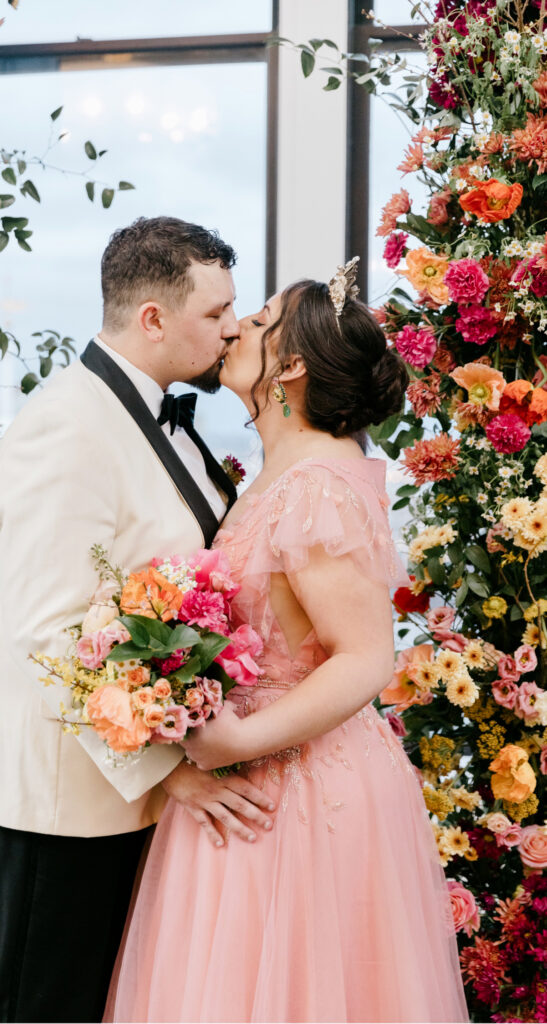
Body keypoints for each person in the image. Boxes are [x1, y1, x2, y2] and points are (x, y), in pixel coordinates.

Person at [105, 262, 469, 1023]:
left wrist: (233, 739)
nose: (234, 328)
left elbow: (365, 657)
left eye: (258, 319)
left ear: (293, 365)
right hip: (244, 775)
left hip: (298, 790)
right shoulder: (282, 475)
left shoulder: (319, 489)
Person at [0, 216, 277, 1024]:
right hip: (65, 794)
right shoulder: (66, 426)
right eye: (216, 313)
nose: (232, 327)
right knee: (45, 1005)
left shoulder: (151, 409)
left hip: (122, 783)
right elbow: (48, 628)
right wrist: (169, 772)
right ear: (153, 319)